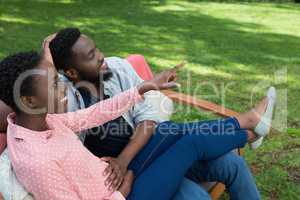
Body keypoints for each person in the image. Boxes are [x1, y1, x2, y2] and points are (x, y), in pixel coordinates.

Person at [0, 38, 275, 200]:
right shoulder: (37, 160)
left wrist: (143, 88)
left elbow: (97, 112)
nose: (59, 86)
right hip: (124, 194)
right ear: (28, 101)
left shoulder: (46, 121)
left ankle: (248, 126)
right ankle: (248, 127)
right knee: (189, 143)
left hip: (126, 171)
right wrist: (122, 190)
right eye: (52, 83)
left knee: (175, 134)